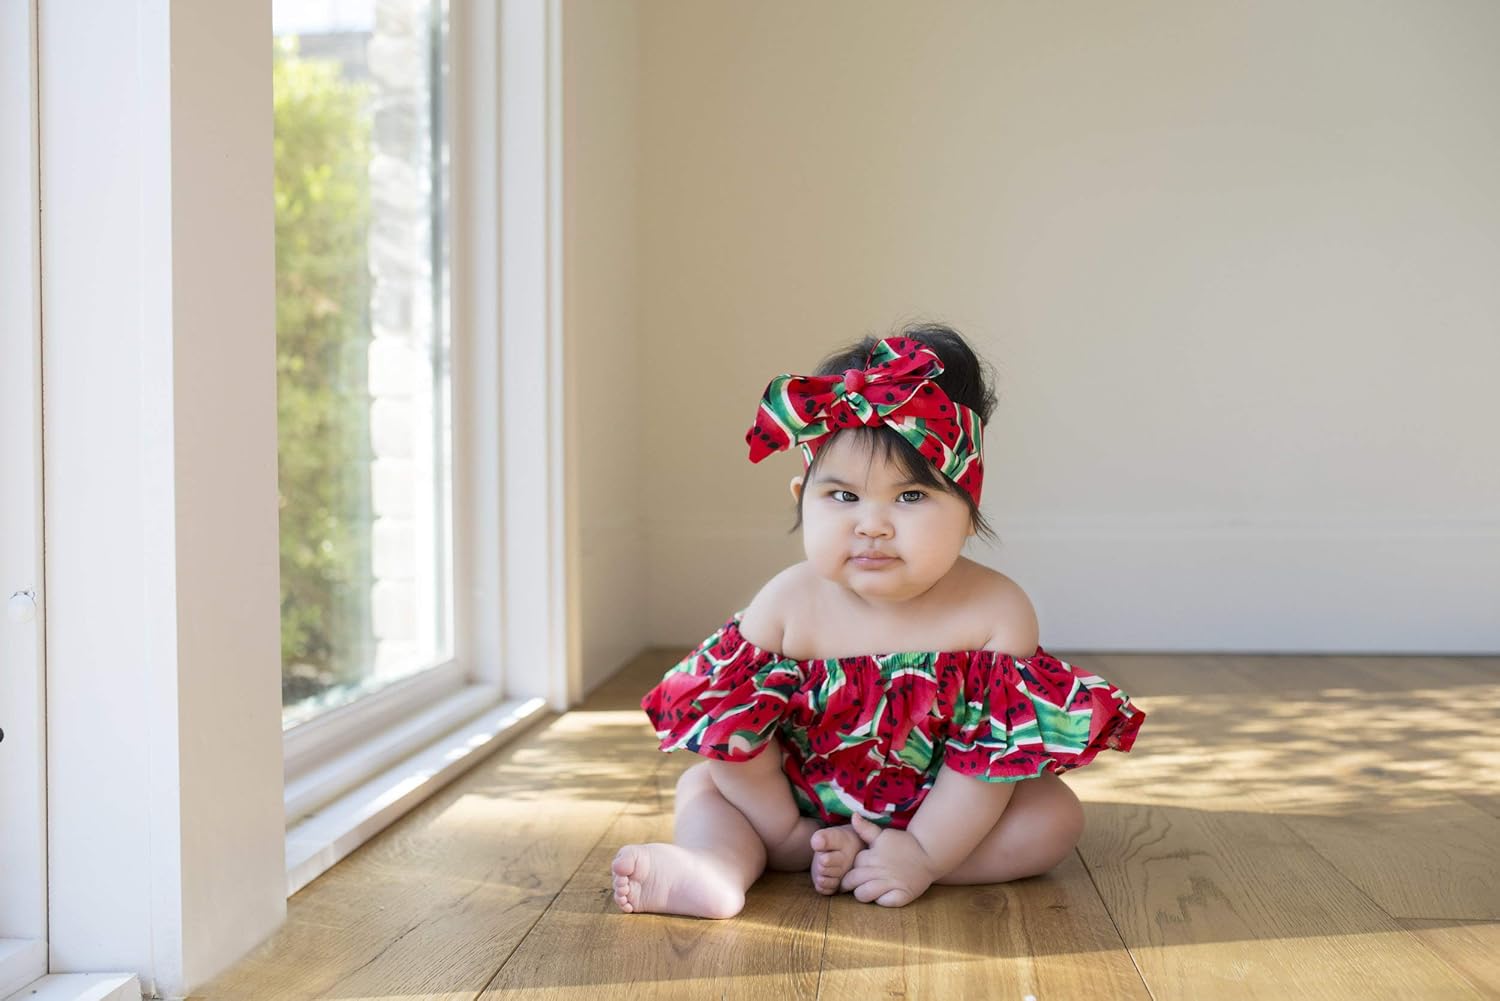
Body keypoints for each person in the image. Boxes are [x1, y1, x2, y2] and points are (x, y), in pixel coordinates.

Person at [612, 323, 1145, 918]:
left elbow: (985, 767)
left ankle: (897, 864)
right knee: (705, 790)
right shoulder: (786, 606)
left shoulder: (995, 613)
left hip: (940, 813)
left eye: (911, 497)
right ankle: (716, 869)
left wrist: (925, 850)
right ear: (801, 498)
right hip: (790, 806)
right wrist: (786, 833)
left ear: (968, 513)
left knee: (1052, 818)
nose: (872, 525)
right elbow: (737, 742)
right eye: (842, 497)